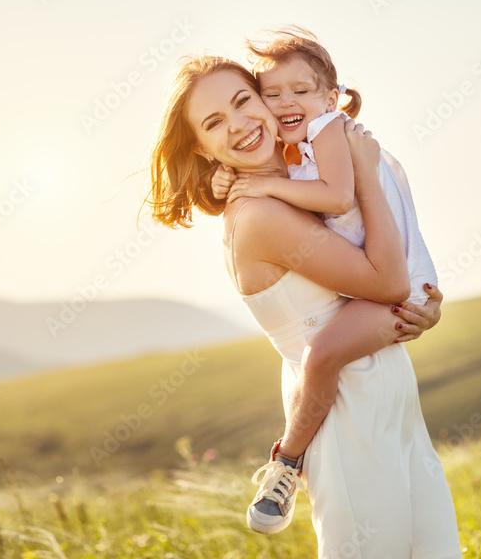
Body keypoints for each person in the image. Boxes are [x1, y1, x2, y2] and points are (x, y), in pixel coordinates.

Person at [148, 55, 462, 557]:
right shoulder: (261, 216)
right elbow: (386, 281)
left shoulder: (294, 178)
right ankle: (284, 463)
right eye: (214, 123)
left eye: (243, 101)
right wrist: (362, 171)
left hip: (382, 397)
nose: (240, 125)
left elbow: (374, 285)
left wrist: (419, 310)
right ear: (203, 149)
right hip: (347, 411)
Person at [208, 28, 439, 535]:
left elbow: (334, 199)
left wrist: (261, 180)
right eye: (273, 94)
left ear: (331, 98)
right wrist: (225, 177)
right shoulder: (299, 154)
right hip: (387, 296)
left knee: (322, 355)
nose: (285, 103)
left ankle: (287, 461)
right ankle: (287, 463)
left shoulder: (331, 134)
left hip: (399, 288)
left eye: (301, 91)